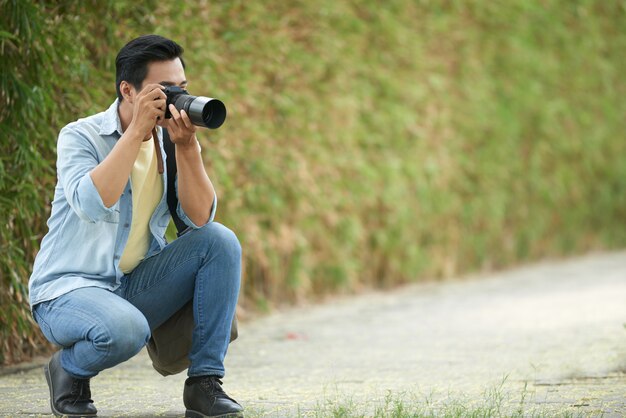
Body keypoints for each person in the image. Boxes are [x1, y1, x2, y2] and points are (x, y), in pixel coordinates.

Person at [28, 34, 244, 417]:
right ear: (128, 90)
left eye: (183, 89)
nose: (175, 99)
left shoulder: (171, 142)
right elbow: (93, 204)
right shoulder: (81, 135)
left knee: (219, 240)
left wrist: (188, 149)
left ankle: (204, 384)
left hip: (134, 285)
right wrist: (134, 133)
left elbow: (199, 219)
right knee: (126, 328)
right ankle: (69, 369)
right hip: (68, 291)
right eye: (164, 90)